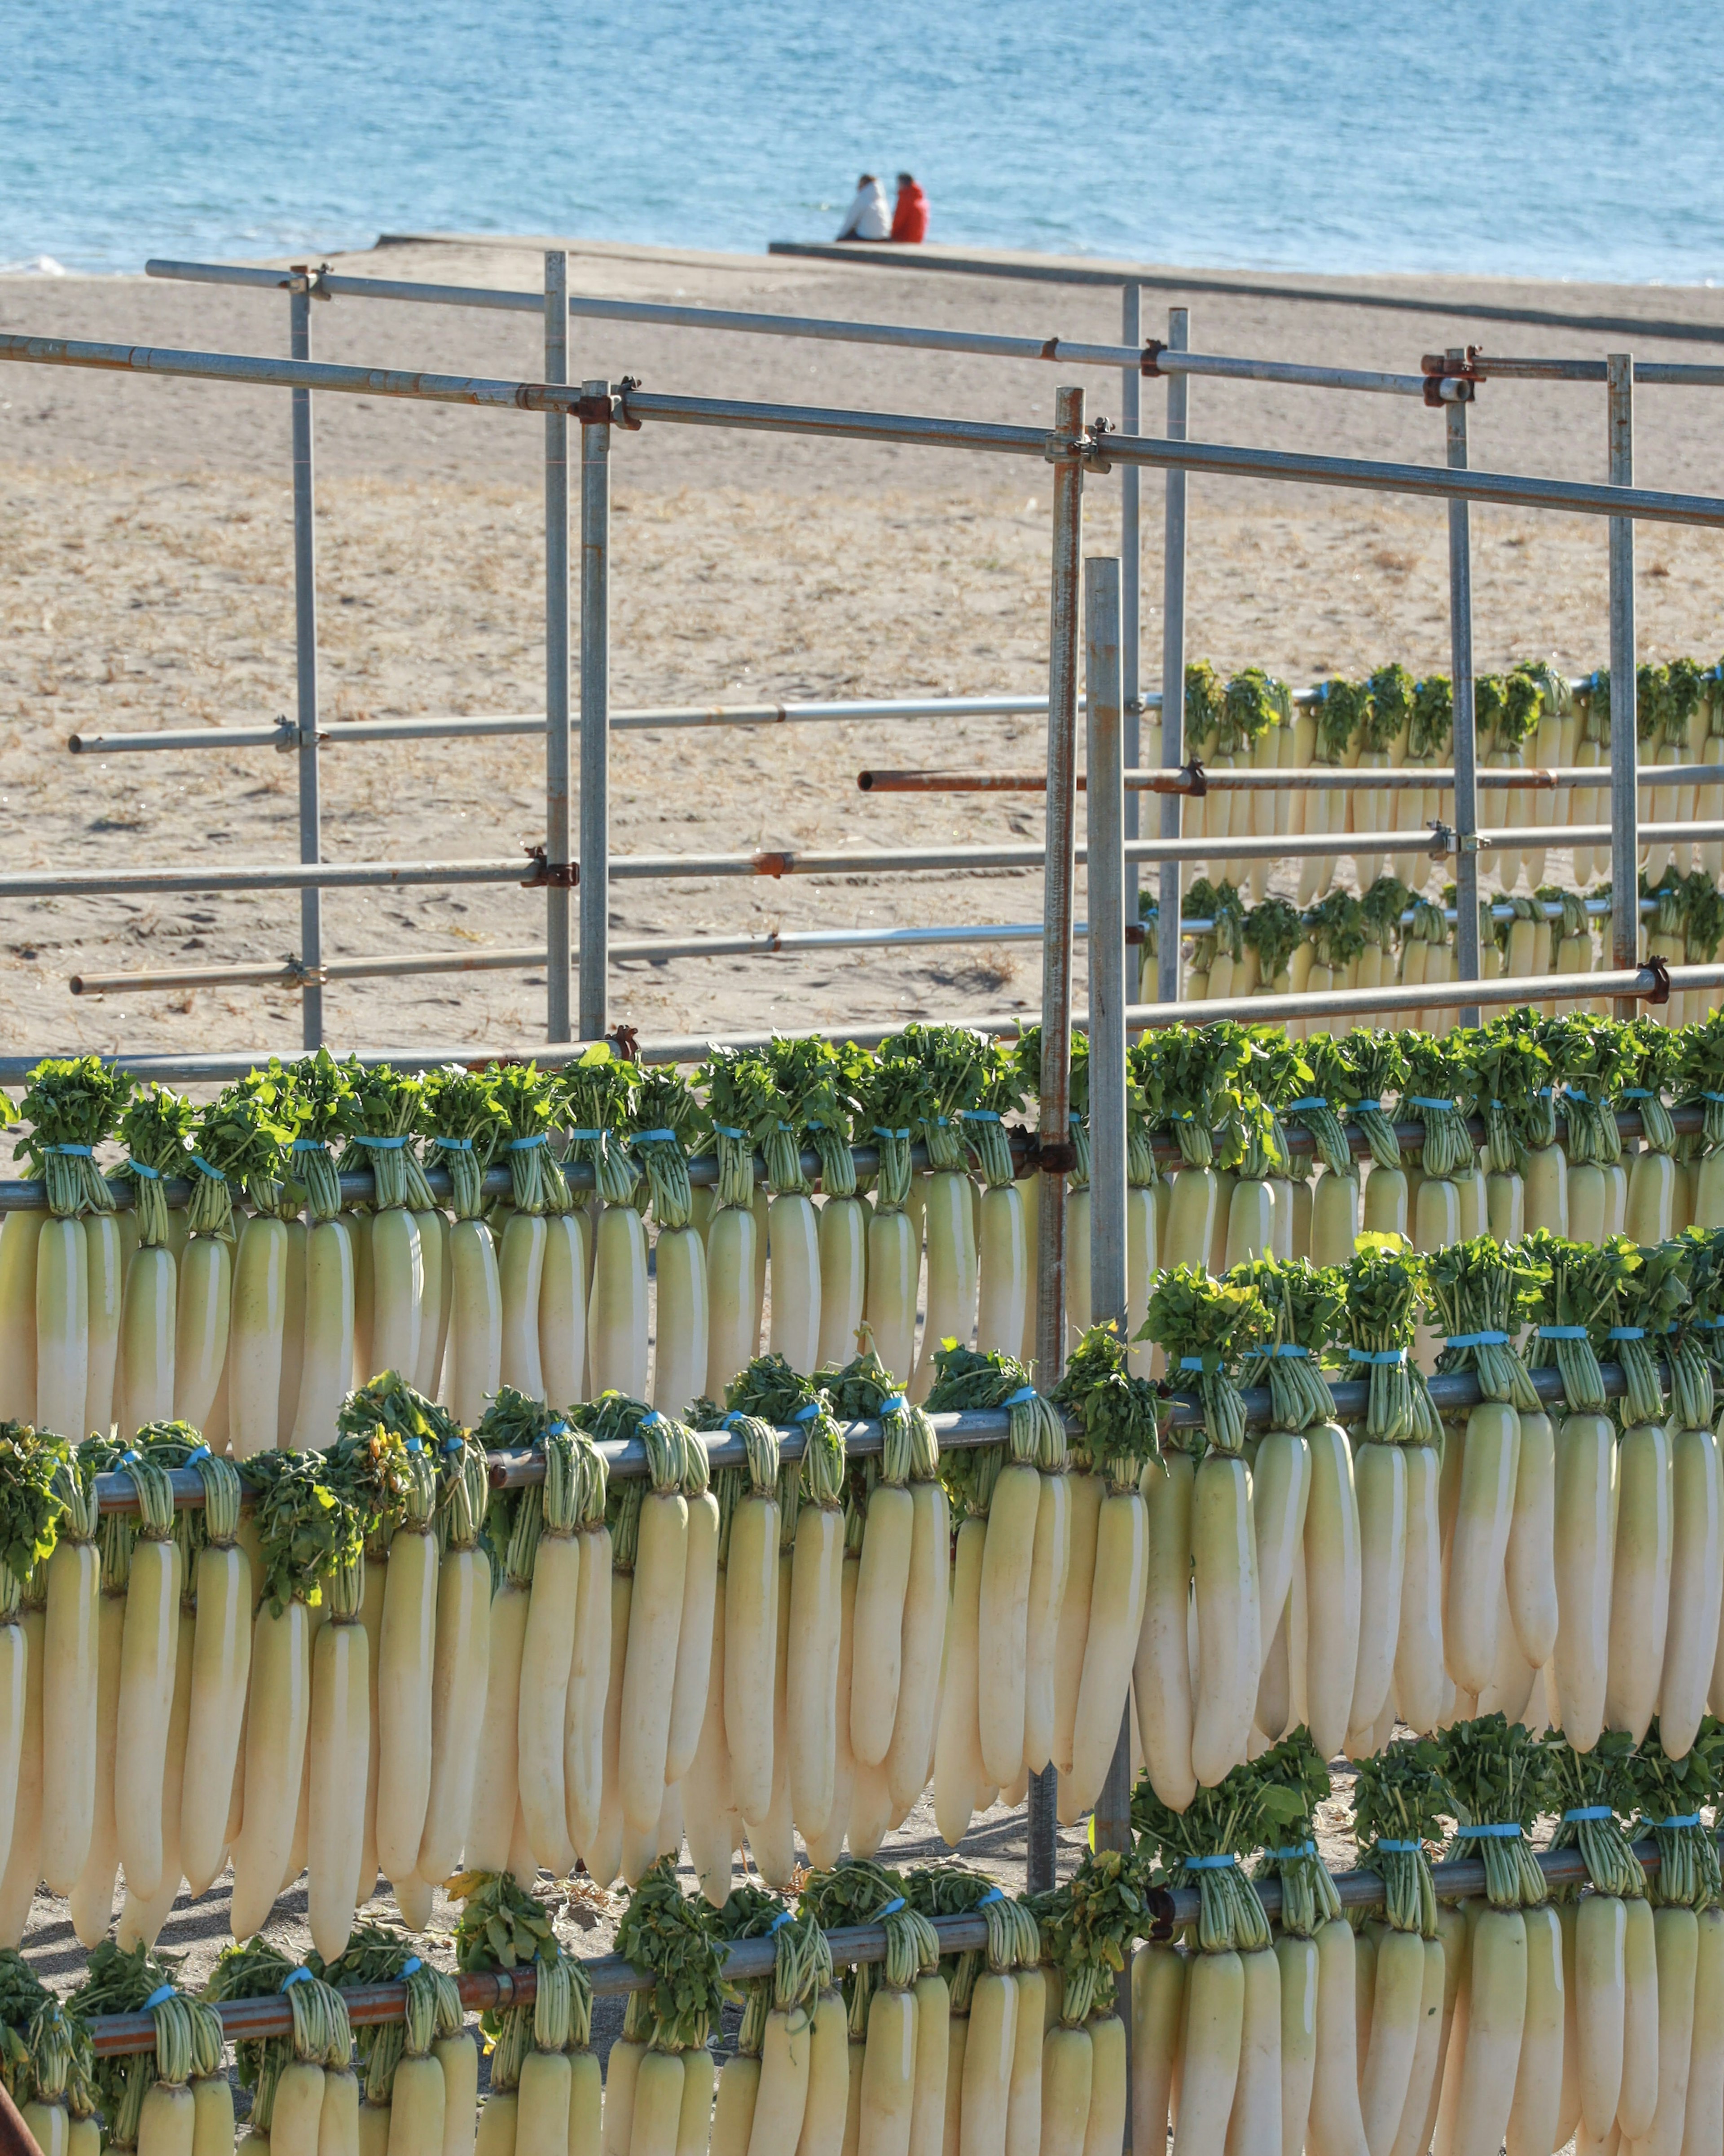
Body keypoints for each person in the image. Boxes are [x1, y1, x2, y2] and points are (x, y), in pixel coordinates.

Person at [836, 175, 891, 242]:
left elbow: (850, 221)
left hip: (867, 237)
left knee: (848, 235)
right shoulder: (883, 201)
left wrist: (839, 237)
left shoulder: (863, 198)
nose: (857, 188)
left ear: (864, 184)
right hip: (883, 237)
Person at [890, 173, 929, 244]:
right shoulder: (921, 199)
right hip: (918, 239)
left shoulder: (906, 198)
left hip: (906, 239)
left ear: (902, 184)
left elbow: (898, 222)